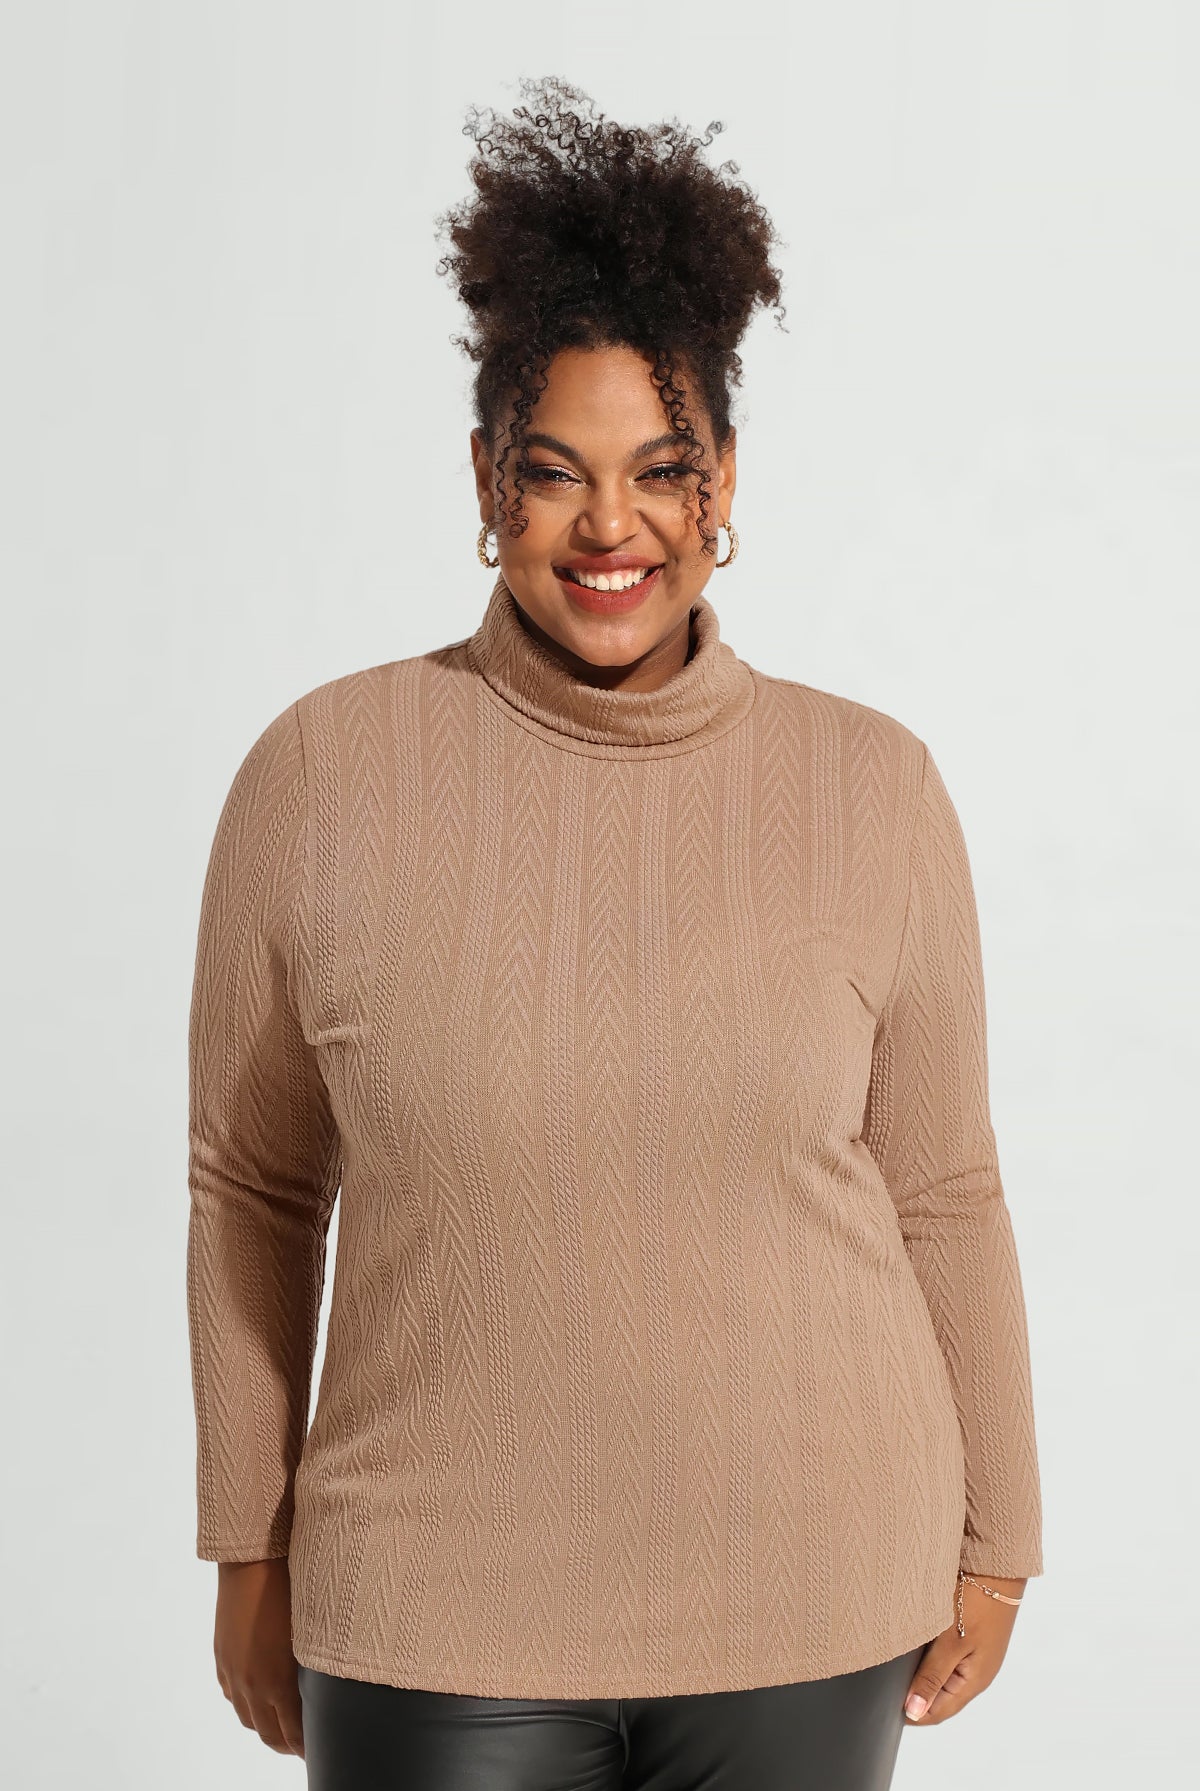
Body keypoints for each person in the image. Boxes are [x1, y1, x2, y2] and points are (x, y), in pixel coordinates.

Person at [186, 75, 1044, 1791]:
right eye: (554, 473)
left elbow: (944, 1183)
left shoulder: (872, 786)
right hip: (430, 1599)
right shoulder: (323, 774)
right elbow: (254, 1186)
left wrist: (1001, 1535)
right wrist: (246, 1543)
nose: (610, 529)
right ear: (484, 477)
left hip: (810, 1590)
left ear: (722, 483)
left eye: (661, 472)